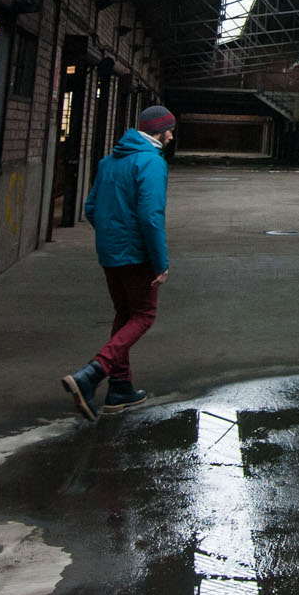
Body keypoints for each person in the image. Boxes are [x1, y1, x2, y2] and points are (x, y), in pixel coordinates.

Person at [61, 105, 177, 419]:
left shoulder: (108, 162)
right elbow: (150, 217)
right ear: (159, 131)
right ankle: (91, 374)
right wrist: (160, 262)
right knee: (143, 315)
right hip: (137, 256)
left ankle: (120, 388)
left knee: (124, 315)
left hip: (110, 254)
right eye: (168, 130)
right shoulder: (151, 163)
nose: (170, 136)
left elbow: (92, 208)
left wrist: (113, 239)